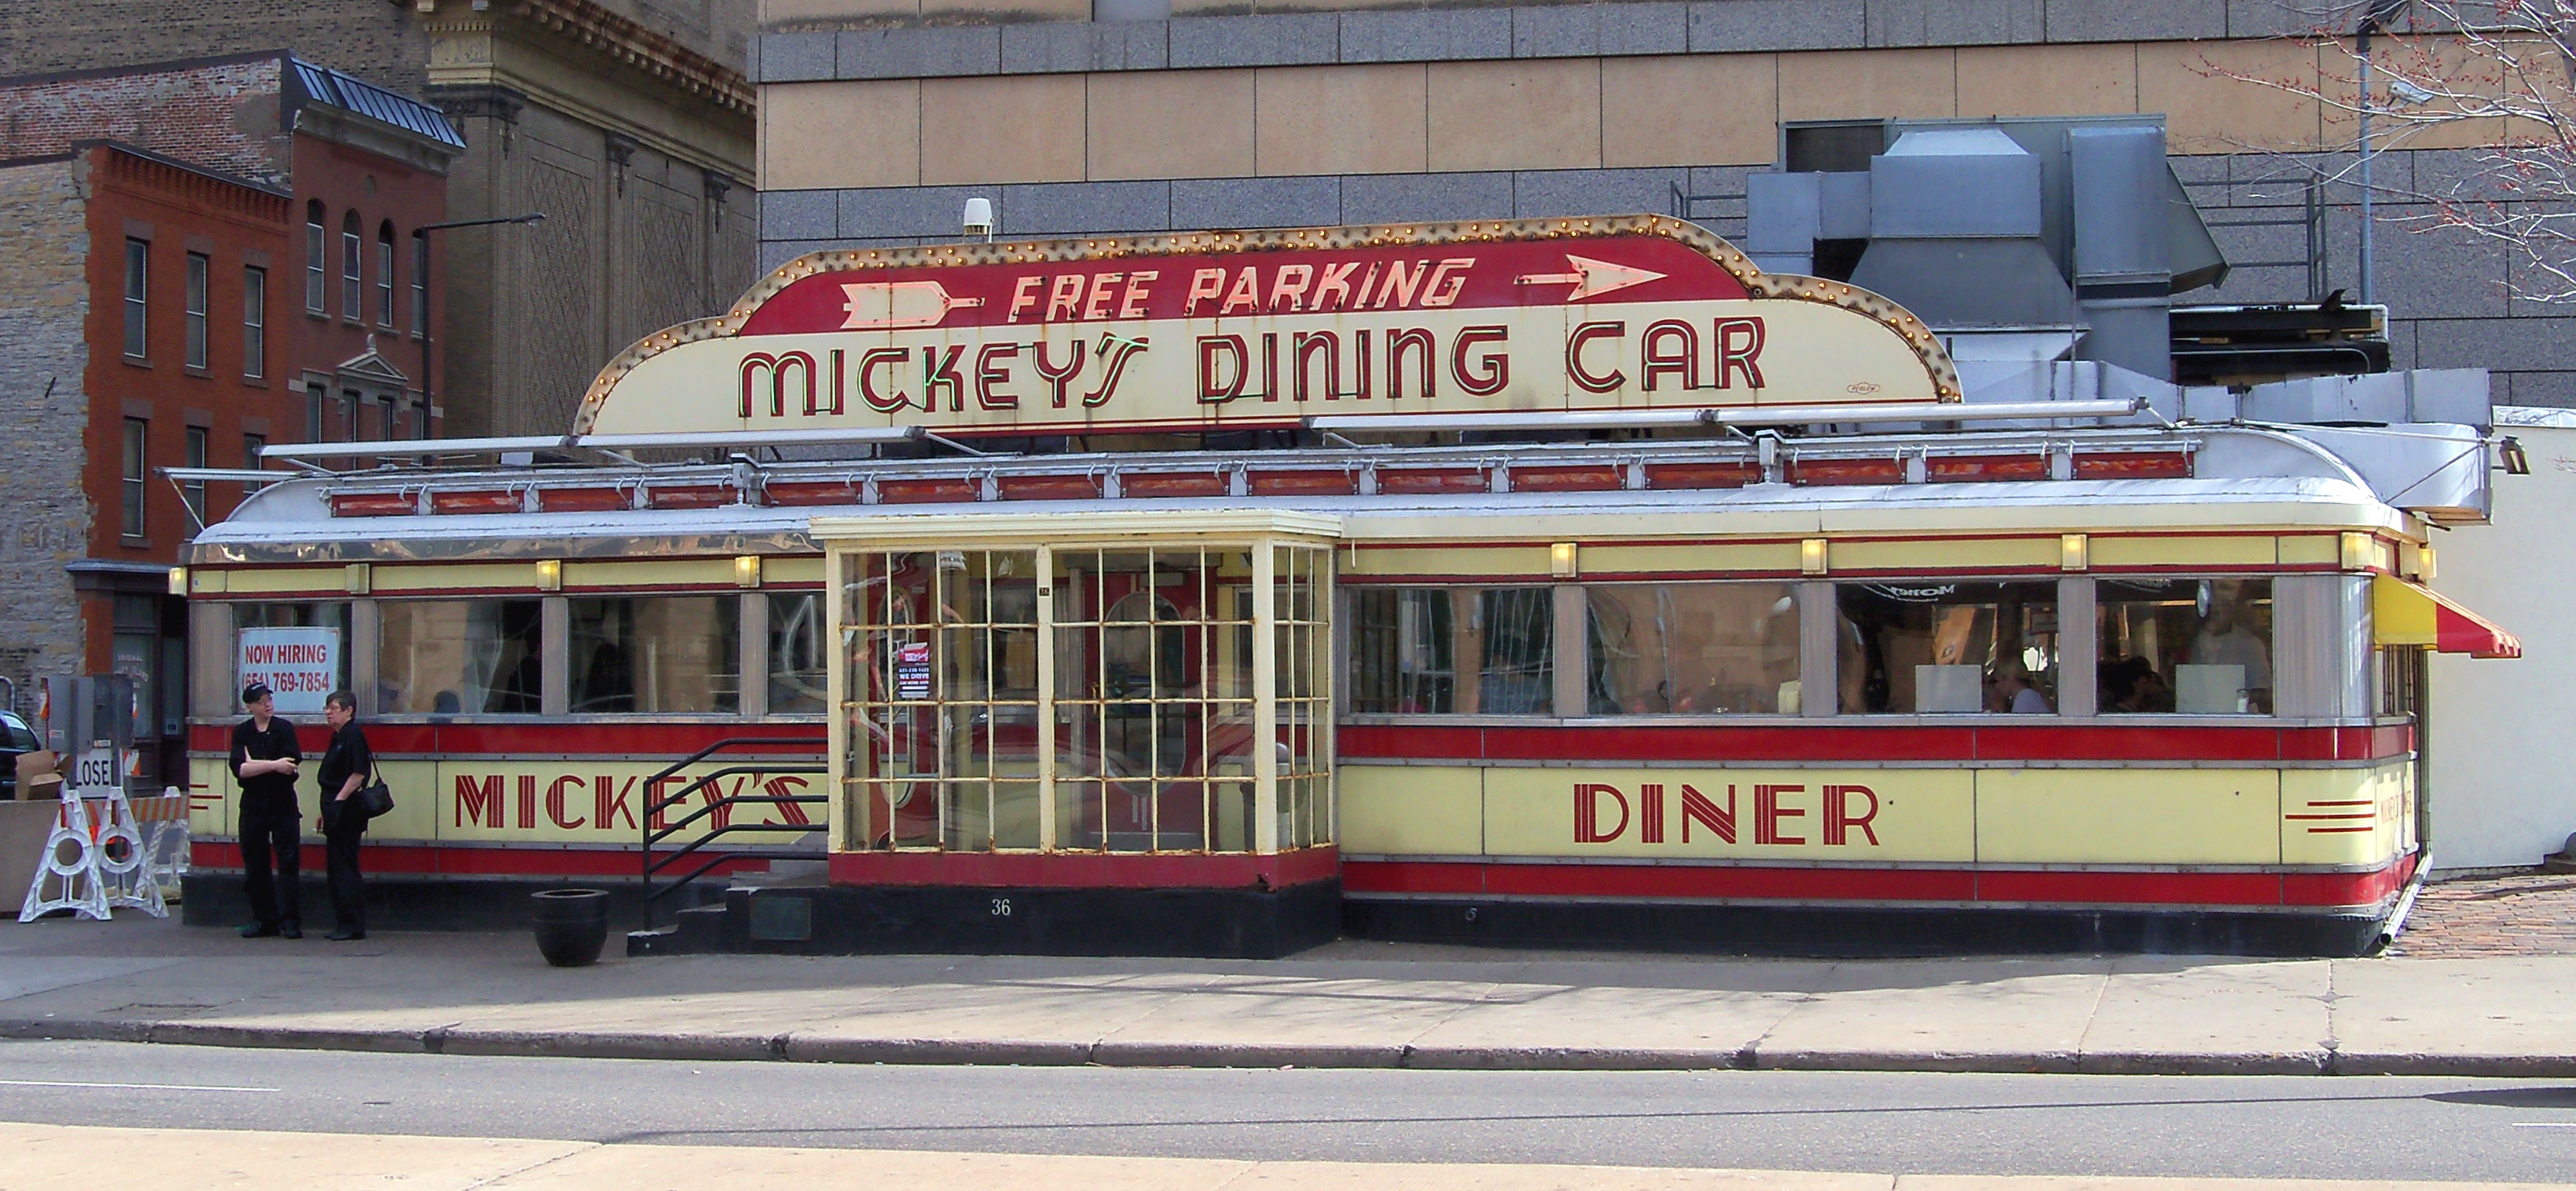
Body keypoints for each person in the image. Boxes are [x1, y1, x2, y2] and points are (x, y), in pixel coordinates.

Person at [226, 682, 302, 939]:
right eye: (260, 701)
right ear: (249, 707)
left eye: (269, 699)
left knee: (288, 863)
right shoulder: (242, 732)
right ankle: (263, 920)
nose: (267, 704)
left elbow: (290, 765)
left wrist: (257, 764)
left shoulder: (284, 729)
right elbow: (241, 769)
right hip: (253, 804)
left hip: (282, 803)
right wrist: (272, 764)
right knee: (255, 864)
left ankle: (290, 921)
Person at [315, 689, 374, 942]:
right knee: (335, 866)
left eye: (335, 708)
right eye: (327, 708)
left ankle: (352, 924)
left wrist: (338, 802)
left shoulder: (353, 736)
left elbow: (358, 774)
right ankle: (343, 922)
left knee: (345, 865)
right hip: (334, 808)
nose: (329, 713)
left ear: (349, 711)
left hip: (347, 810)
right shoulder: (337, 737)